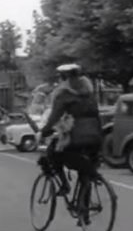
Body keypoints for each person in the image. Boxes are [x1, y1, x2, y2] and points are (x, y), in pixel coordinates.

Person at [38, 63, 103, 209]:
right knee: (85, 172)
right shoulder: (90, 93)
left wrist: (45, 131)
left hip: (77, 138)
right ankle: (83, 211)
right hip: (95, 138)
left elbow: (55, 115)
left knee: (53, 155)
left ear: (64, 77)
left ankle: (64, 185)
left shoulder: (64, 94)